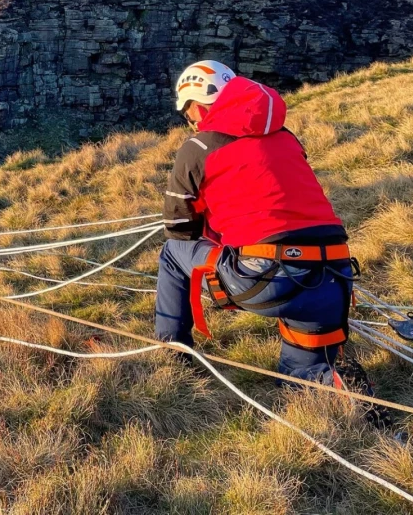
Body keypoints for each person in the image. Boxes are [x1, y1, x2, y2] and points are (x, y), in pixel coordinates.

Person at [155, 60, 362, 388]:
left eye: (188, 113)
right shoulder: (286, 137)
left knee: (171, 253)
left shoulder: (197, 147)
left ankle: (171, 352)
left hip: (266, 276)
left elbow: (179, 227)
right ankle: (333, 385)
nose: (190, 122)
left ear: (198, 104)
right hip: (333, 276)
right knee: (299, 386)